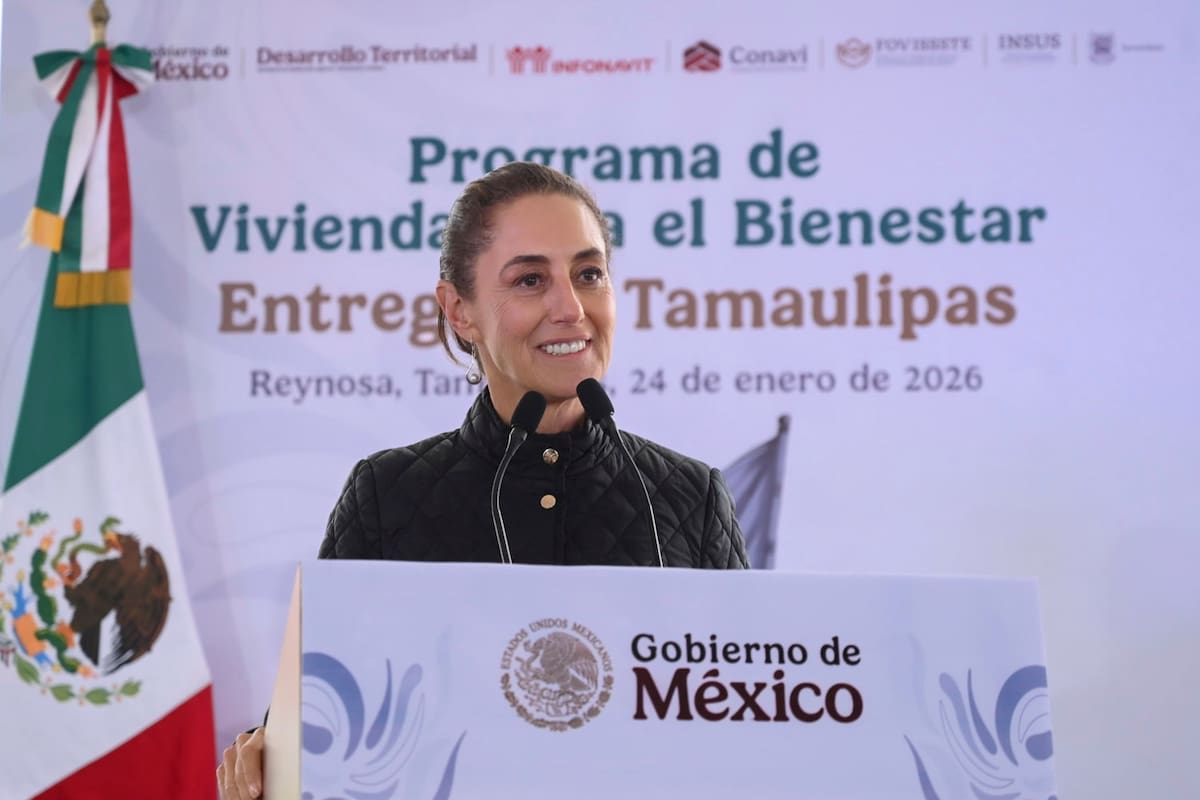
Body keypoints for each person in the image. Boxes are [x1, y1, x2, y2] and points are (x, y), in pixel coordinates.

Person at [217, 162, 749, 799]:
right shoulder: (388, 494)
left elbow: (746, 728)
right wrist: (266, 761)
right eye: (530, 280)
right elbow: (323, 722)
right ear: (459, 310)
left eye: (589, 274)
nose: (571, 308)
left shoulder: (691, 496)